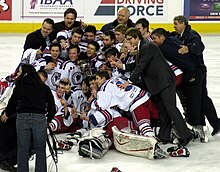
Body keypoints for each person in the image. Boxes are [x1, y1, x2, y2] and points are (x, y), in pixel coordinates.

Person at [118, 28, 193, 146]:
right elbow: (136, 65)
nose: (129, 42)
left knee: (171, 109)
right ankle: (164, 136)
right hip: (158, 84)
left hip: (165, 82)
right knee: (163, 111)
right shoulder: (142, 48)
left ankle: (186, 135)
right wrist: (121, 66)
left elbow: (140, 67)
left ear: (137, 37)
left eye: (130, 39)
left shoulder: (148, 47)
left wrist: (129, 82)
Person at [1, 64, 56, 172]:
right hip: (40, 119)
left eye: (20, 72)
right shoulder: (44, 88)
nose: (18, 74)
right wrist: (49, 120)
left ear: (25, 74)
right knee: (40, 149)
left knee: (22, 148)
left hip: (22, 118)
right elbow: (51, 107)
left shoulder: (20, 87)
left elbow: (12, 104)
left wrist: (6, 114)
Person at [172, 15, 220, 136]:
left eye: (176, 24)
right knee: (203, 98)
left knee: (197, 99)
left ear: (183, 24)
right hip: (196, 71)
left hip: (197, 71)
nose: (174, 26)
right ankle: (216, 124)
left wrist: (189, 48)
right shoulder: (179, 35)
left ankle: (201, 124)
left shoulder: (192, 35)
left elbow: (199, 47)